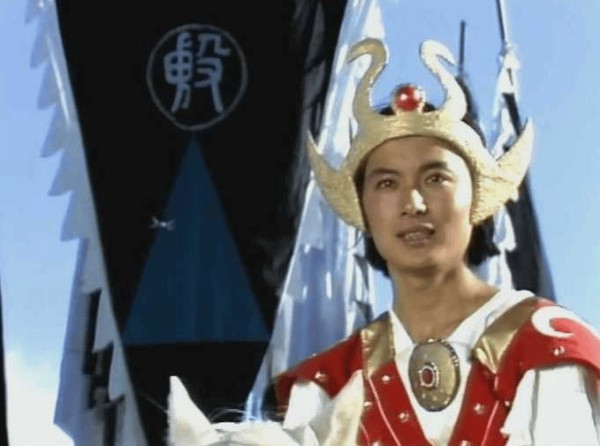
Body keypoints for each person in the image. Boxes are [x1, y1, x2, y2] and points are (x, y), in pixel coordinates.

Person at [274, 38, 600, 445]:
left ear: (477, 196)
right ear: (362, 208)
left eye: (435, 178)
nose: (412, 203)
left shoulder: (545, 344)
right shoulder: (327, 383)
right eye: (387, 183)